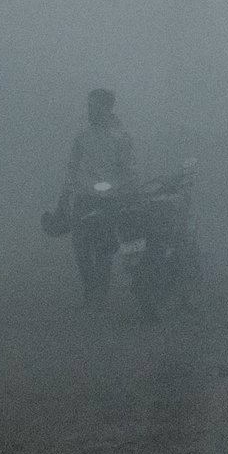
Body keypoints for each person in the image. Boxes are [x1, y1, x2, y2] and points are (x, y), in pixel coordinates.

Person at [62, 88, 138, 305]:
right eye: (89, 106)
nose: (90, 110)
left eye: (95, 106)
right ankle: (90, 288)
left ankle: (100, 292)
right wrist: (66, 193)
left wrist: (123, 189)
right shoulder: (82, 136)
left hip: (109, 199)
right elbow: (72, 166)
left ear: (107, 108)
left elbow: (129, 169)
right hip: (84, 197)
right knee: (80, 244)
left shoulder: (121, 137)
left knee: (104, 246)